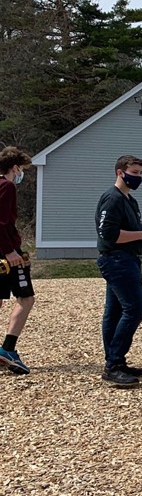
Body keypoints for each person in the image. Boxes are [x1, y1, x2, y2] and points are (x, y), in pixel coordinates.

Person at [95, 155, 142, 386]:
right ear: (120, 172)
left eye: (140, 174)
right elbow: (109, 235)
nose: (138, 177)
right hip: (117, 261)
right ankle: (114, 364)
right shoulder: (112, 199)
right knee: (135, 309)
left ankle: (115, 361)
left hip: (127, 258)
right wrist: (141, 235)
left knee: (115, 312)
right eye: (135, 173)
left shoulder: (130, 201)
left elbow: (128, 235)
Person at [0, 146, 34, 375]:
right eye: (21, 169)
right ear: (14, 168)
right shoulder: (7, 186)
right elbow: (1, 222)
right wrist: (10, 251)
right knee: (26, 297)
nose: (21, 173)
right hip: (6, 252)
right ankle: (8, 349)